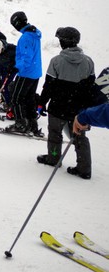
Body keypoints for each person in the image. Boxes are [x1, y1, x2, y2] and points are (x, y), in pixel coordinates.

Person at [37, 27, 104, 179]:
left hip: (58, 107)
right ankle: (84, 168)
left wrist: (41, 103)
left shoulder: (56, 61)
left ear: (63, 42)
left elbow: (48, 85)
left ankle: (53, 158)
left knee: (55, 134)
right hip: (78, 110)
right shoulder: (88, 62)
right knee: (80, 137)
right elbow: (90, 88)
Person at [7, 10, 42, 135]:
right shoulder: (33, 34)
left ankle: (21, 124)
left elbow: (26, 57)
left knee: (16, 98)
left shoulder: (26, 37)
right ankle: (32, 125)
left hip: (26, 73)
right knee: (29, 99)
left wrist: (17, 68)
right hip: (34, 72)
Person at [0, 39, 17, 110]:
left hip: (11, 69)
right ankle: (5, 100)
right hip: (3, 67)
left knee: (7, 85)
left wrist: (12, 66)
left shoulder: (12, 49)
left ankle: (9, 104)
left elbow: (18, 58)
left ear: (2, 48)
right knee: (3, 84)